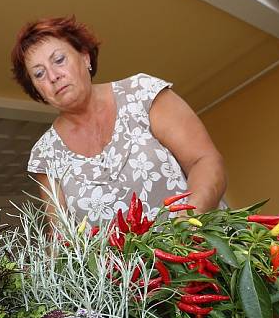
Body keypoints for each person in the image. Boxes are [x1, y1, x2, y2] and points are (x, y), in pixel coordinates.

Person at [12, 16, 227, 225]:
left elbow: (205, 161)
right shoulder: (45, 154)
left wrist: (187, 226)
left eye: (59, 60)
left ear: (85, 57)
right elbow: (62, 237)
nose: (53, 76)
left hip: (201, 250)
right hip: (128, 264)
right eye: (39, 74)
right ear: (37, 92)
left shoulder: (143, 93)